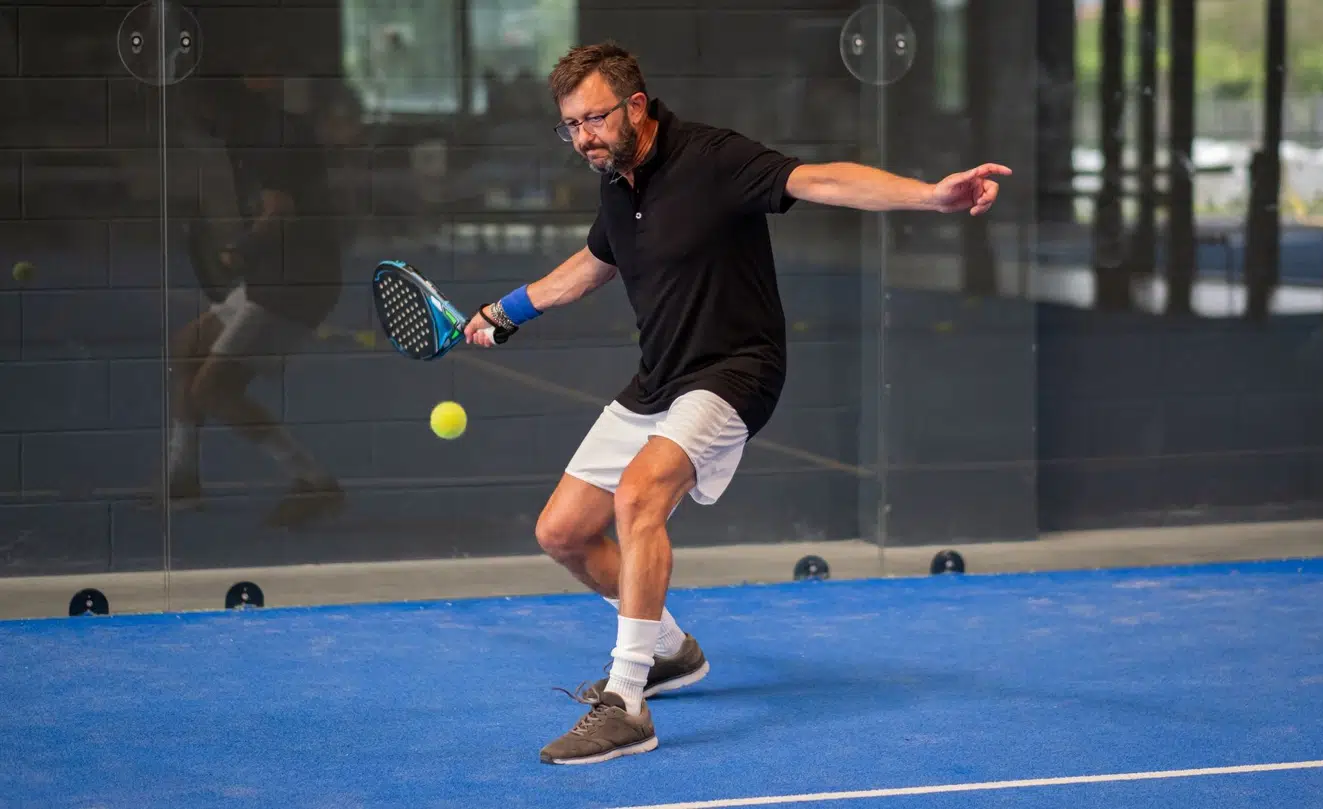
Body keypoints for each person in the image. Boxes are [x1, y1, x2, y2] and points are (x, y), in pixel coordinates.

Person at [462, 41, 1010, 765]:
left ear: (636, 104)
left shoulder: (713, 159)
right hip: (659, 378)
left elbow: (822, 179)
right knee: (562, 531)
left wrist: (930, 195)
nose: (583, 137)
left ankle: (627, 701)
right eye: (570, 125)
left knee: (638, 496)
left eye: (594, 118)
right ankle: (669, 651)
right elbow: (593, 265)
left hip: (735, 371)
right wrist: (506, 311)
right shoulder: (617, 180)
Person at [163, 68, 346, 529]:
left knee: (214, 388)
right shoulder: (254, 132)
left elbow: (279, 212)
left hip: (294, 284)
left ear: (214, 106)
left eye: (196, 110)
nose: (193, 120)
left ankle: (314, 481)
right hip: (274, 275)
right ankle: (180, 478)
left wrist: (237, 251)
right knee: (187, 347)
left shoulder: (269, 137)